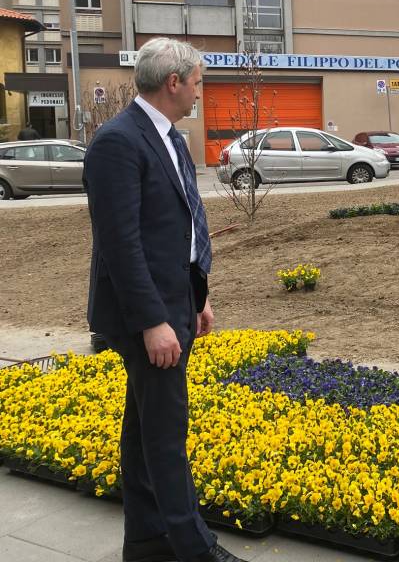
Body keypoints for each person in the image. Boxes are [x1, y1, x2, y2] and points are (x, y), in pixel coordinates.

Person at [83, 37, 247, 562]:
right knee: (165, 434)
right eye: (198, 81)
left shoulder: (171, 139)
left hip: (176, 302)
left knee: (143, 427)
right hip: (145, 314)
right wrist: (154, 321)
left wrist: (198, 297)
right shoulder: (118, 141)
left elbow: (179, 226)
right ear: (173, 82)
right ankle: (193, 548)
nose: (201, 92)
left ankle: (147, 540)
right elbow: (120, 244)